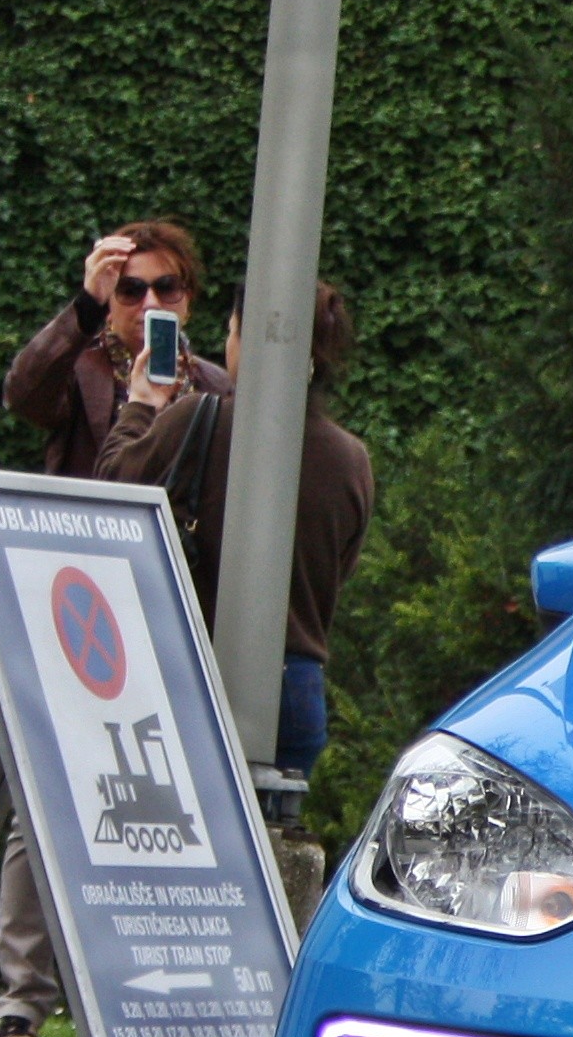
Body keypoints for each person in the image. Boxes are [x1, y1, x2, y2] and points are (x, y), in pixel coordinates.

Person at [0, 223, 232, 1037]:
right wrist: (84, 306)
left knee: (154, 812)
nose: (149, 303)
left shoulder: (214, 387)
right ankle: (21, 1003)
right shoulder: (83, 367)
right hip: (74, 607)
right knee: (40, 800)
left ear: (189, 298)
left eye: (166, 288)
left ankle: (135, 1006)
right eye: (132, 290)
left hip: (162, 621)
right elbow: (23, 393)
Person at [100, 279, 376, 785]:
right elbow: (339, 569)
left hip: (193, 670)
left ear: (251, 343)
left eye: (231, 331)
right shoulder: (351, 460)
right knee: (269, 832)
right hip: (297, 688)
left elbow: (112, 488)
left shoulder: (197, 419)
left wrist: (140, 404)